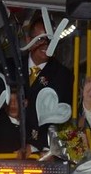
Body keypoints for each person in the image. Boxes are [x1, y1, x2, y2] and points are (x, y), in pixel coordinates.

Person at [22, 12, 74, 152]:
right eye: (40, 39)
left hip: (41, 150)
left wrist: (38, 147)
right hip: (9, 147)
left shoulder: (63, 75)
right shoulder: (10, 67)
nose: (45, 45)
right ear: (28, 40)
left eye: (50, 40)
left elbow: (60, 117)